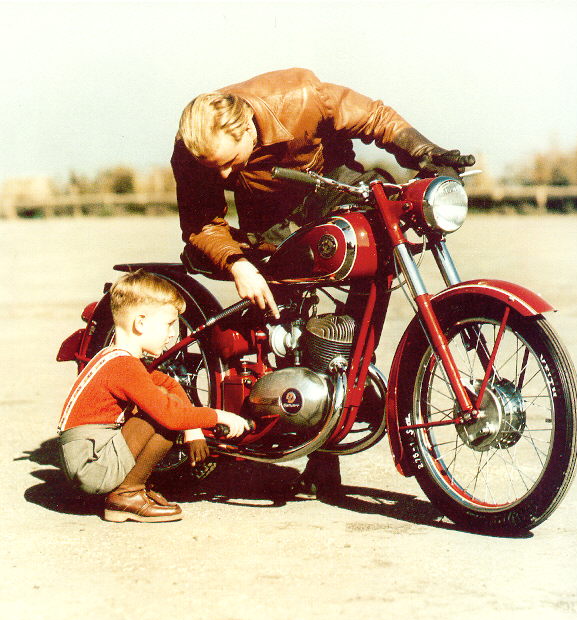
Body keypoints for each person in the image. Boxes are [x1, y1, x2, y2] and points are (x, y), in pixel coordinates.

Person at [171, 67, 475, 498]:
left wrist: (425, 152)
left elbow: (374, 117)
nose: (221, 177)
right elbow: (202, 223)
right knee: (281, 316)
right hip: (267, 214)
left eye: (227, 163)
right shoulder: (192, 146)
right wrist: (239, 266)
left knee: (380, 256)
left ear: (246, 131)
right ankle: (310, 430)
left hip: (332, 184)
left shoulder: (297, 96)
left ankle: (345, 388)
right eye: (211, 167)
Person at [57, 269, 249, 522]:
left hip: (90, 456)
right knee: (162, 415)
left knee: (164, 399)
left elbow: (169, 384)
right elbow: (171, 415)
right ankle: (127, 494)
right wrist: (218, 416)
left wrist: (193, 431)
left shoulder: (115, 357)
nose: (172, 334)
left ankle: (129, 490)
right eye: (168, 324)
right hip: (92, 465)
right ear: (140, 323)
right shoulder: (124, 366)